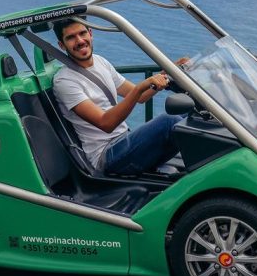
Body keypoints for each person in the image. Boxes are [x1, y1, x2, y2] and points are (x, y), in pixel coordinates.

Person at [52, 18, 183, 176]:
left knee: (187, 115)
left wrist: (169, 73)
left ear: (90, 33)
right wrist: (140, 88)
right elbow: (106, 123)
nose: (79, 41)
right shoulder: (64, 80)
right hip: (105, 155)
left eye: (82, 33)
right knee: (169, 122)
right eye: (71, 37)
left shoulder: (101, 62)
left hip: (123, 138)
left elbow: (140, 96)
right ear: (61, 45)